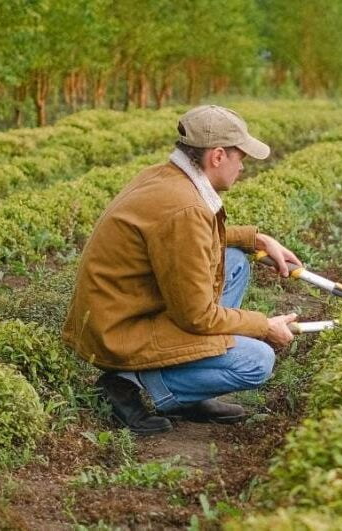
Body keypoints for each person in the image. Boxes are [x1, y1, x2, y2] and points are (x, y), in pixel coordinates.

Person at [63, 105, 300, 434]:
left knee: (232, 261)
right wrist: (263, 326)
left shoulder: (166, 178)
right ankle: (129, 384)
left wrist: (256, 238)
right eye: (241, 156)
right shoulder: (184, 207)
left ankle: (184, 386)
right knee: (257, 360)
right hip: (120, 332)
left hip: (123, 310)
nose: (243, 166)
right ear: (217, 156)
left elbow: (185, 237)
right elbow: (197, 316)